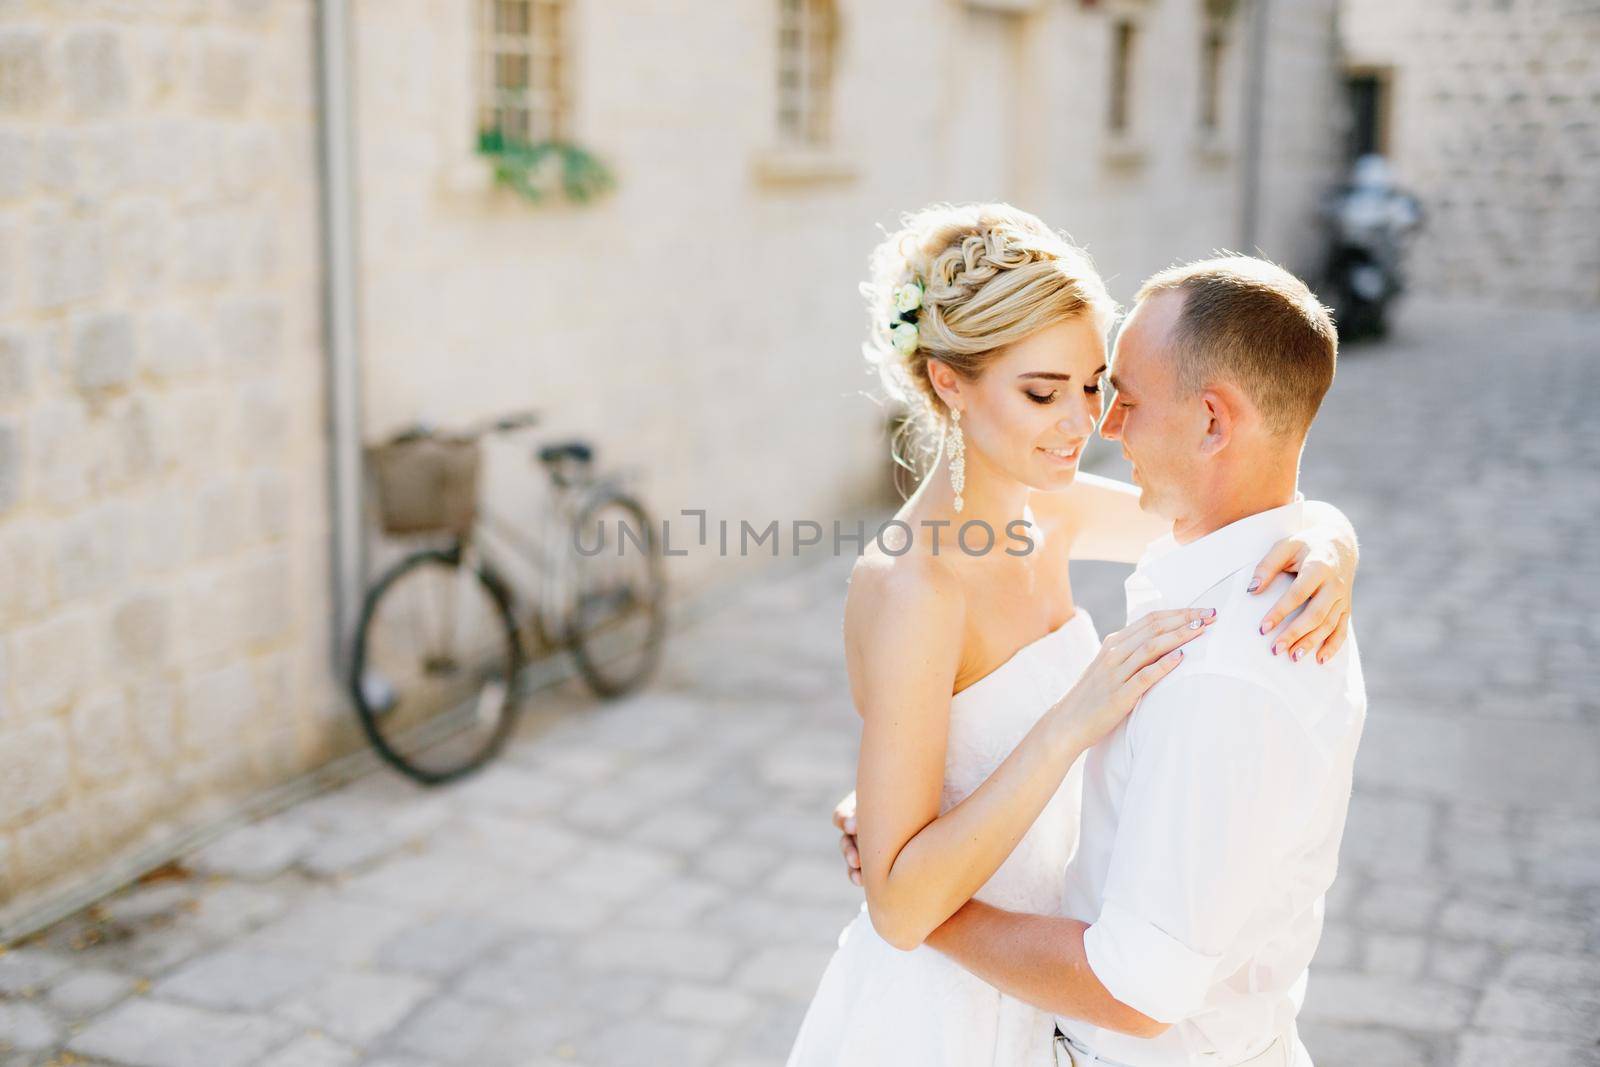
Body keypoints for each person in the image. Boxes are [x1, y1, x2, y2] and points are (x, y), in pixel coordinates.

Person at [787, 205, 1358, 1067]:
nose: (1083, 423)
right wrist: (1070, 722)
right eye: (1041, 392)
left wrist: (1331, 539)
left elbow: (1230, 515)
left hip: (1060, 972)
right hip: (952, 1003)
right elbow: (900, 906)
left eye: (1095, 385)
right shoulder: (912, 586)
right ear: (950, 383)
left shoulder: (1045, 513)